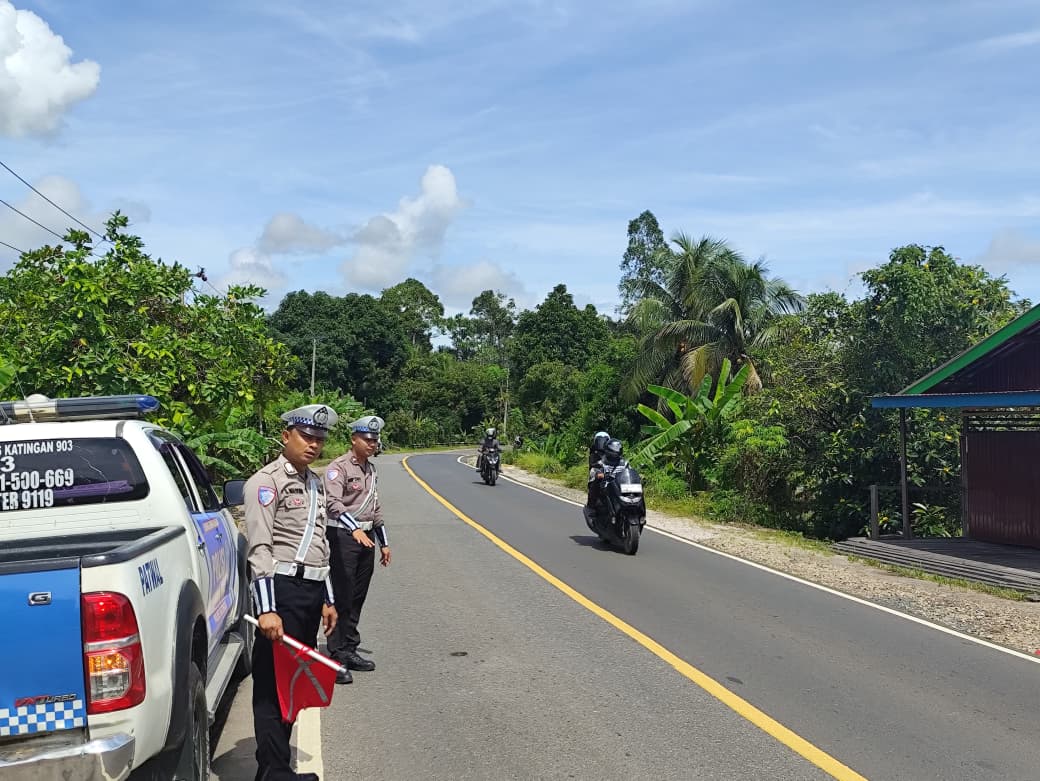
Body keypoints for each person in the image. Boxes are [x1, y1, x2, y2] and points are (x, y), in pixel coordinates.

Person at [244, 403, 339, 781]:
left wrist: (328, 598)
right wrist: (267, 609)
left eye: (319, 439)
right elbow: (260, 549)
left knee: (292, 684)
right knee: (270, 683)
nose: (313, 445)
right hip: (280, 592)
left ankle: (274, 768)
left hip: (310, 592)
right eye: (306, 437)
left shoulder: (314, 482)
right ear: (286, 436)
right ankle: (274, 771)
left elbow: (320, 545)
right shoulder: (265, 483)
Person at [324, 414, 391, 684]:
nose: (372, 444)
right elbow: (333, 504)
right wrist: (354, 529)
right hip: (343, 536)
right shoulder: (337, 468)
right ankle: (335, 654)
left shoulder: (372, 470)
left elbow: (375, 509)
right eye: (367, 439)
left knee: (357, 595)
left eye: (375, 440)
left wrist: (384, 542)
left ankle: (350, 648)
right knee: (341, 594)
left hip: (366, 538)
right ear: (353, 439)